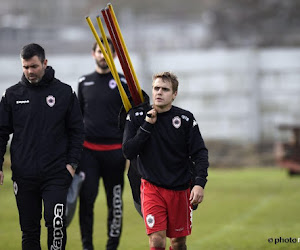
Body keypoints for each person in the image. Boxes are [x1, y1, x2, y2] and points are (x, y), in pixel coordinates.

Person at [0, 43, 84, 250]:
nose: (30, 71)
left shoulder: (64, 93)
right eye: (26, 67)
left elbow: (77, 131)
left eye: (34, 66)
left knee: (56, 225)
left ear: (45, 63)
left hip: (56, 174)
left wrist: (71, 164)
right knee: (29, 231)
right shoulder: (12, 95)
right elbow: (1, 133)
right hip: (23, 175)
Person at [122, 72, 209, 250]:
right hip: (151, 187)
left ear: (174, 94)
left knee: (178, 243)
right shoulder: (137, 116)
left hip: (180, 189)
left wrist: (199, 183)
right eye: (156, 88)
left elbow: (200, 153)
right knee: (157, 241)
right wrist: (147, 126)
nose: (159, 92)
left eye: (165, 89)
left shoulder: (185, 119)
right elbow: (128, 151)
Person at [76, 38, 129, 250]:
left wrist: (129, 153)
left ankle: (111, 247)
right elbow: (76, 119)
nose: (102, 55)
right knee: (86, 201)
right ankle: (87, 246)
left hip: (115, 153)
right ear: (93, 54)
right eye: (99, 51)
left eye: (107, 52)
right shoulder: (83, 82)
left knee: (114, 203)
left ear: (114, 56)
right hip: (88, 153)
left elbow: (133, 118)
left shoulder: (125, 82)